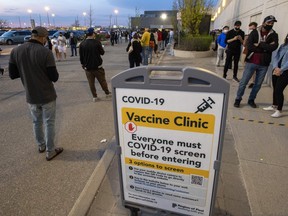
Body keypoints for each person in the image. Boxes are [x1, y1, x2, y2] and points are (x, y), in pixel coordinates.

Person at [8, 26, 63, 161]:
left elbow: (12, 74)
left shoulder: (15, 51)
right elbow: (54, 77)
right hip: (47, 95)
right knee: (49, 122)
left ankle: (41, 146)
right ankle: (50, 151)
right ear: (43, 38)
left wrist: (26, 70)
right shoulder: (45, 53)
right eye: (46, 38)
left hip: (31, 95)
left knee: (36, 122)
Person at [234, 15, 279, 108]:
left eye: (272, 23)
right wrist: (266, 47)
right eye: (269, 22)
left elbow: (274, 47)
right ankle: (238, 99)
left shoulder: (274, 34)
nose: (271, 24)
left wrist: (260, 44)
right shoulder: (255, 32)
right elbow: (249, 45)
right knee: (243, 82)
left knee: (257, 84)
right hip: (251, 62)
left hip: (264, 64)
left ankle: (251, 100)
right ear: (263, 23)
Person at [79, 27, 111, 102]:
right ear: (93, 34)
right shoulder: (96, 42)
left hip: (87, 67)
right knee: (102, 80)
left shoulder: (82, 44)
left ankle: (95, 97)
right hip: (97, 66)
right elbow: (102, 53)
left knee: (91, 83)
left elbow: (81, 57)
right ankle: (107, 93)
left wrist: (83, 65)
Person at [263, 33, 288, 117]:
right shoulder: (283, 46)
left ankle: (279, 110)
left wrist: (281, 69)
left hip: (285, 72)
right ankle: (274, 105)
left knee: (278, 90)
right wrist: (275, 67)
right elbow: (276, 56)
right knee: (275, 88)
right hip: (276, 69)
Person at [242, 22, 258, 88]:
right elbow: (244, 44)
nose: (249, 27)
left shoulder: (256, 33)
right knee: (245, 66)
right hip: (246, 51)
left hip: (251, 52)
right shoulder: (250, 34)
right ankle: (247, 80)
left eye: (250, 26)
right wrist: (245, 39)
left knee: (251, 68)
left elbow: (255, 44)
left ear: (254, 26)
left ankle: (252, 81)